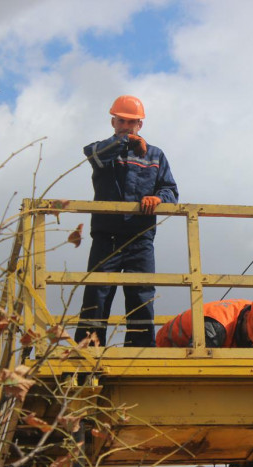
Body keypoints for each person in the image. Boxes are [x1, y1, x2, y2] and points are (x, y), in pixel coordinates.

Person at [75, 95, 179, 347]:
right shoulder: (101, 150)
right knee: (97, 294)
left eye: (131, 123)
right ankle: (88, 349)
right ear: (113, 121)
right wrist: (125, 142)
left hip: (140, 239)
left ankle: (140, 350)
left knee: (141, 295)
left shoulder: (156, 155)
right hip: (106, 237)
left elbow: (171, 192)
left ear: (140, 125)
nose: (125, 126)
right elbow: (98, 157)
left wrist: (158, 198)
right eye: (121, 121)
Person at [156, 299, 253, 348]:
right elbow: (195, 361)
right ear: (246, 316)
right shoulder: (217, 325)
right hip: (169, 346)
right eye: (250, 335)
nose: (252, 341)